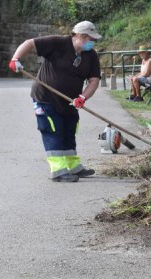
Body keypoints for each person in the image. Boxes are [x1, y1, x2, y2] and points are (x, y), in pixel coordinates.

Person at [8, 21, 102, 182]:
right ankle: (58, 171)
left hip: (70, 101)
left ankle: (73, 167)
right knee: (53, 131)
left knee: (69, 131)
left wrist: (83, 97)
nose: (92, 42)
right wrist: (15, 59)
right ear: (80, 36)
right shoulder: (58, 43)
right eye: (90, 39)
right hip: (46, 98)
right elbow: (29, 43)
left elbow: (94, 80)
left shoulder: (90, 55)